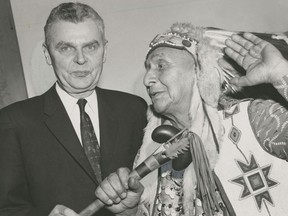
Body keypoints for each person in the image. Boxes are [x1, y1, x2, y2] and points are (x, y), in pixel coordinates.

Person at [95, 23, 288, 216]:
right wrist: (130, 212)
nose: (147, 80)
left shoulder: (255, 118)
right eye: (148, 68)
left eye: (161, 66)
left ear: (200, 71)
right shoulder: (153, 152)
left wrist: (282, 74)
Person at [0, 2, 147, 216]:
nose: (80, 59)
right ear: (47, 54)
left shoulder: (134, 109)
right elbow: (6, 208)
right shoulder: (14, 121)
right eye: (66, 48)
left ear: (104, 50)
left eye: (90, 46)